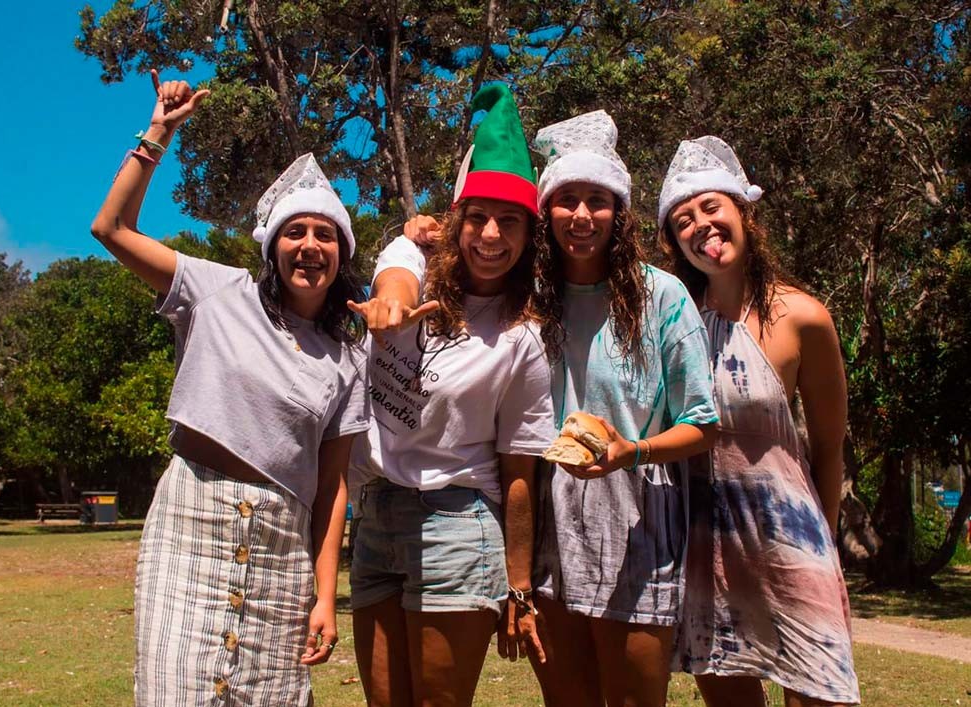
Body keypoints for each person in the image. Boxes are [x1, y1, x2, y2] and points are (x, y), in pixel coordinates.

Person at [90, 72, 368, 706]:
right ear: (272, 248)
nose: (309, 245)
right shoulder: (218, 290)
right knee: (174, 689)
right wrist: (158, 132)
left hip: (282, 543)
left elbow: (332, 489)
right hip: (193, 520)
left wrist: (325, 595)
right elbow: (111, 230)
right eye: (295, 233)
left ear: (341, 252)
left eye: (325, 235)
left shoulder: (346, 355)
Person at [347, 84, 555, 706]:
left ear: (528, 233)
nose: (492, 235)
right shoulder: (409, 254)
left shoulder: (523, 335)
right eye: (479, 218)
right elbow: (395, 279)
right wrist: (392, 303)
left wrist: (518, 586)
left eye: (510, 221)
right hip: (376, 516)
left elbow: (520, 469)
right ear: (455, 222)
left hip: (458, 523)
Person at [522, 111, 719, 707]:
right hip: (550, 522)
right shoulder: (532, 300)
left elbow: (702, 424)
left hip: (639, 520)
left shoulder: (662, 295)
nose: (581, 217)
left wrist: (629, 450)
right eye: (567, 200)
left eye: (597, 201)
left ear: (619, 211)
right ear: (546, 211)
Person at [657, 136, 860, 706]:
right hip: (706, 542)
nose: (701, 225)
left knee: (818, 695)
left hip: (790, 540)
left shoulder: (803, 317)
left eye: (711, 207)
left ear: (743, 211)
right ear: (675, 242)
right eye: (683, 220)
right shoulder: (678, 323)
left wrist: (825, 541)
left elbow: (828, 446)